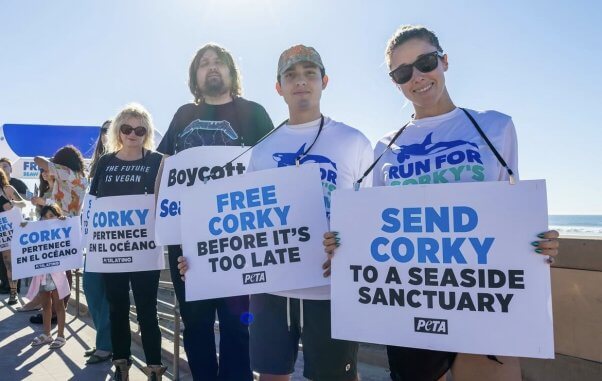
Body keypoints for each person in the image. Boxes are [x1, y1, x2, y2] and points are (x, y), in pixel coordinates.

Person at [323, 25, 560, 381]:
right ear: (396, 83)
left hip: (482, 301)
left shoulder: (495, 127)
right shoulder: (384, 148)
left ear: (444, 61)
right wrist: (343, 247)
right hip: (408, 303)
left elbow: (511, 217)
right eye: (403, 72)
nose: (417, 77)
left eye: (426, 62)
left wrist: (537, 245)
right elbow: (374, 231)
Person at [178, 44, 373, 381]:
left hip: (330, 288)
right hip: (271, 291)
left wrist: (349, 243)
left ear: (324, 81)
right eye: (291, 75)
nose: (301, 82)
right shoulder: (264, 148)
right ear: (279, 87)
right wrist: (198, 257)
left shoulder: (353, 141)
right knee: (270, 377)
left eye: (310, 74)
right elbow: (243, 217)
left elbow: (370, 214)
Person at [156, 43, 273, 381]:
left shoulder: (254, 112)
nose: (211, 68)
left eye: (218, 62)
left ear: (231, 71)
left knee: (238, 324)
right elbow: (165, 168)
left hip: (238, 236)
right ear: (195, 75)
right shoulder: (183, 115)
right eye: (204, 63)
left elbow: (272, 167)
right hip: (186, 239)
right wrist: (159, 220)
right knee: (195, 322)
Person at [89, 103, 165, 380]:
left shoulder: (158, 160)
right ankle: (122, 363)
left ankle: (154, 366)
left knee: (148, 309)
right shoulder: (105, 162)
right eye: (127, 128)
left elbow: (163, 202)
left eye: (140, 129)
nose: (133, 134)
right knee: (117, 307)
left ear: (147, 133)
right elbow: (93, 204)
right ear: (118, 131)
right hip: (111, 250)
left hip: (145, 249)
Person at [83, 120, 113, 364]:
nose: (108, 133)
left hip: (113, 238)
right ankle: (102, 341)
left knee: (106, 294)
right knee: (90, 288)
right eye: (105, 129)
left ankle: (106, 344)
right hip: (92, 239)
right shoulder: (95, 165)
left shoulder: (121, 161)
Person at [26, 204, 70, 349]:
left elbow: (71, 234)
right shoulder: (37, 232)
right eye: (45, 216)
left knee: (59, 305)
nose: (48, 219)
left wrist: (65, 221)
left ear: (57, 216)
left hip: (57, 273)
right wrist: (22, 227)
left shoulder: (62, 228)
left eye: (51, 216)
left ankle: (61, 335)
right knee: (45, 306)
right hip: (42, 274)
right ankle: (47, 334)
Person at [0, 158, 28, 294]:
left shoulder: (9, 188)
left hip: (10, 230)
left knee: (9, 263)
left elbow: (24, 203)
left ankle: (13, 291)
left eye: (5, 166)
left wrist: (12, 204)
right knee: (4, 263)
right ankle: (6, 286)